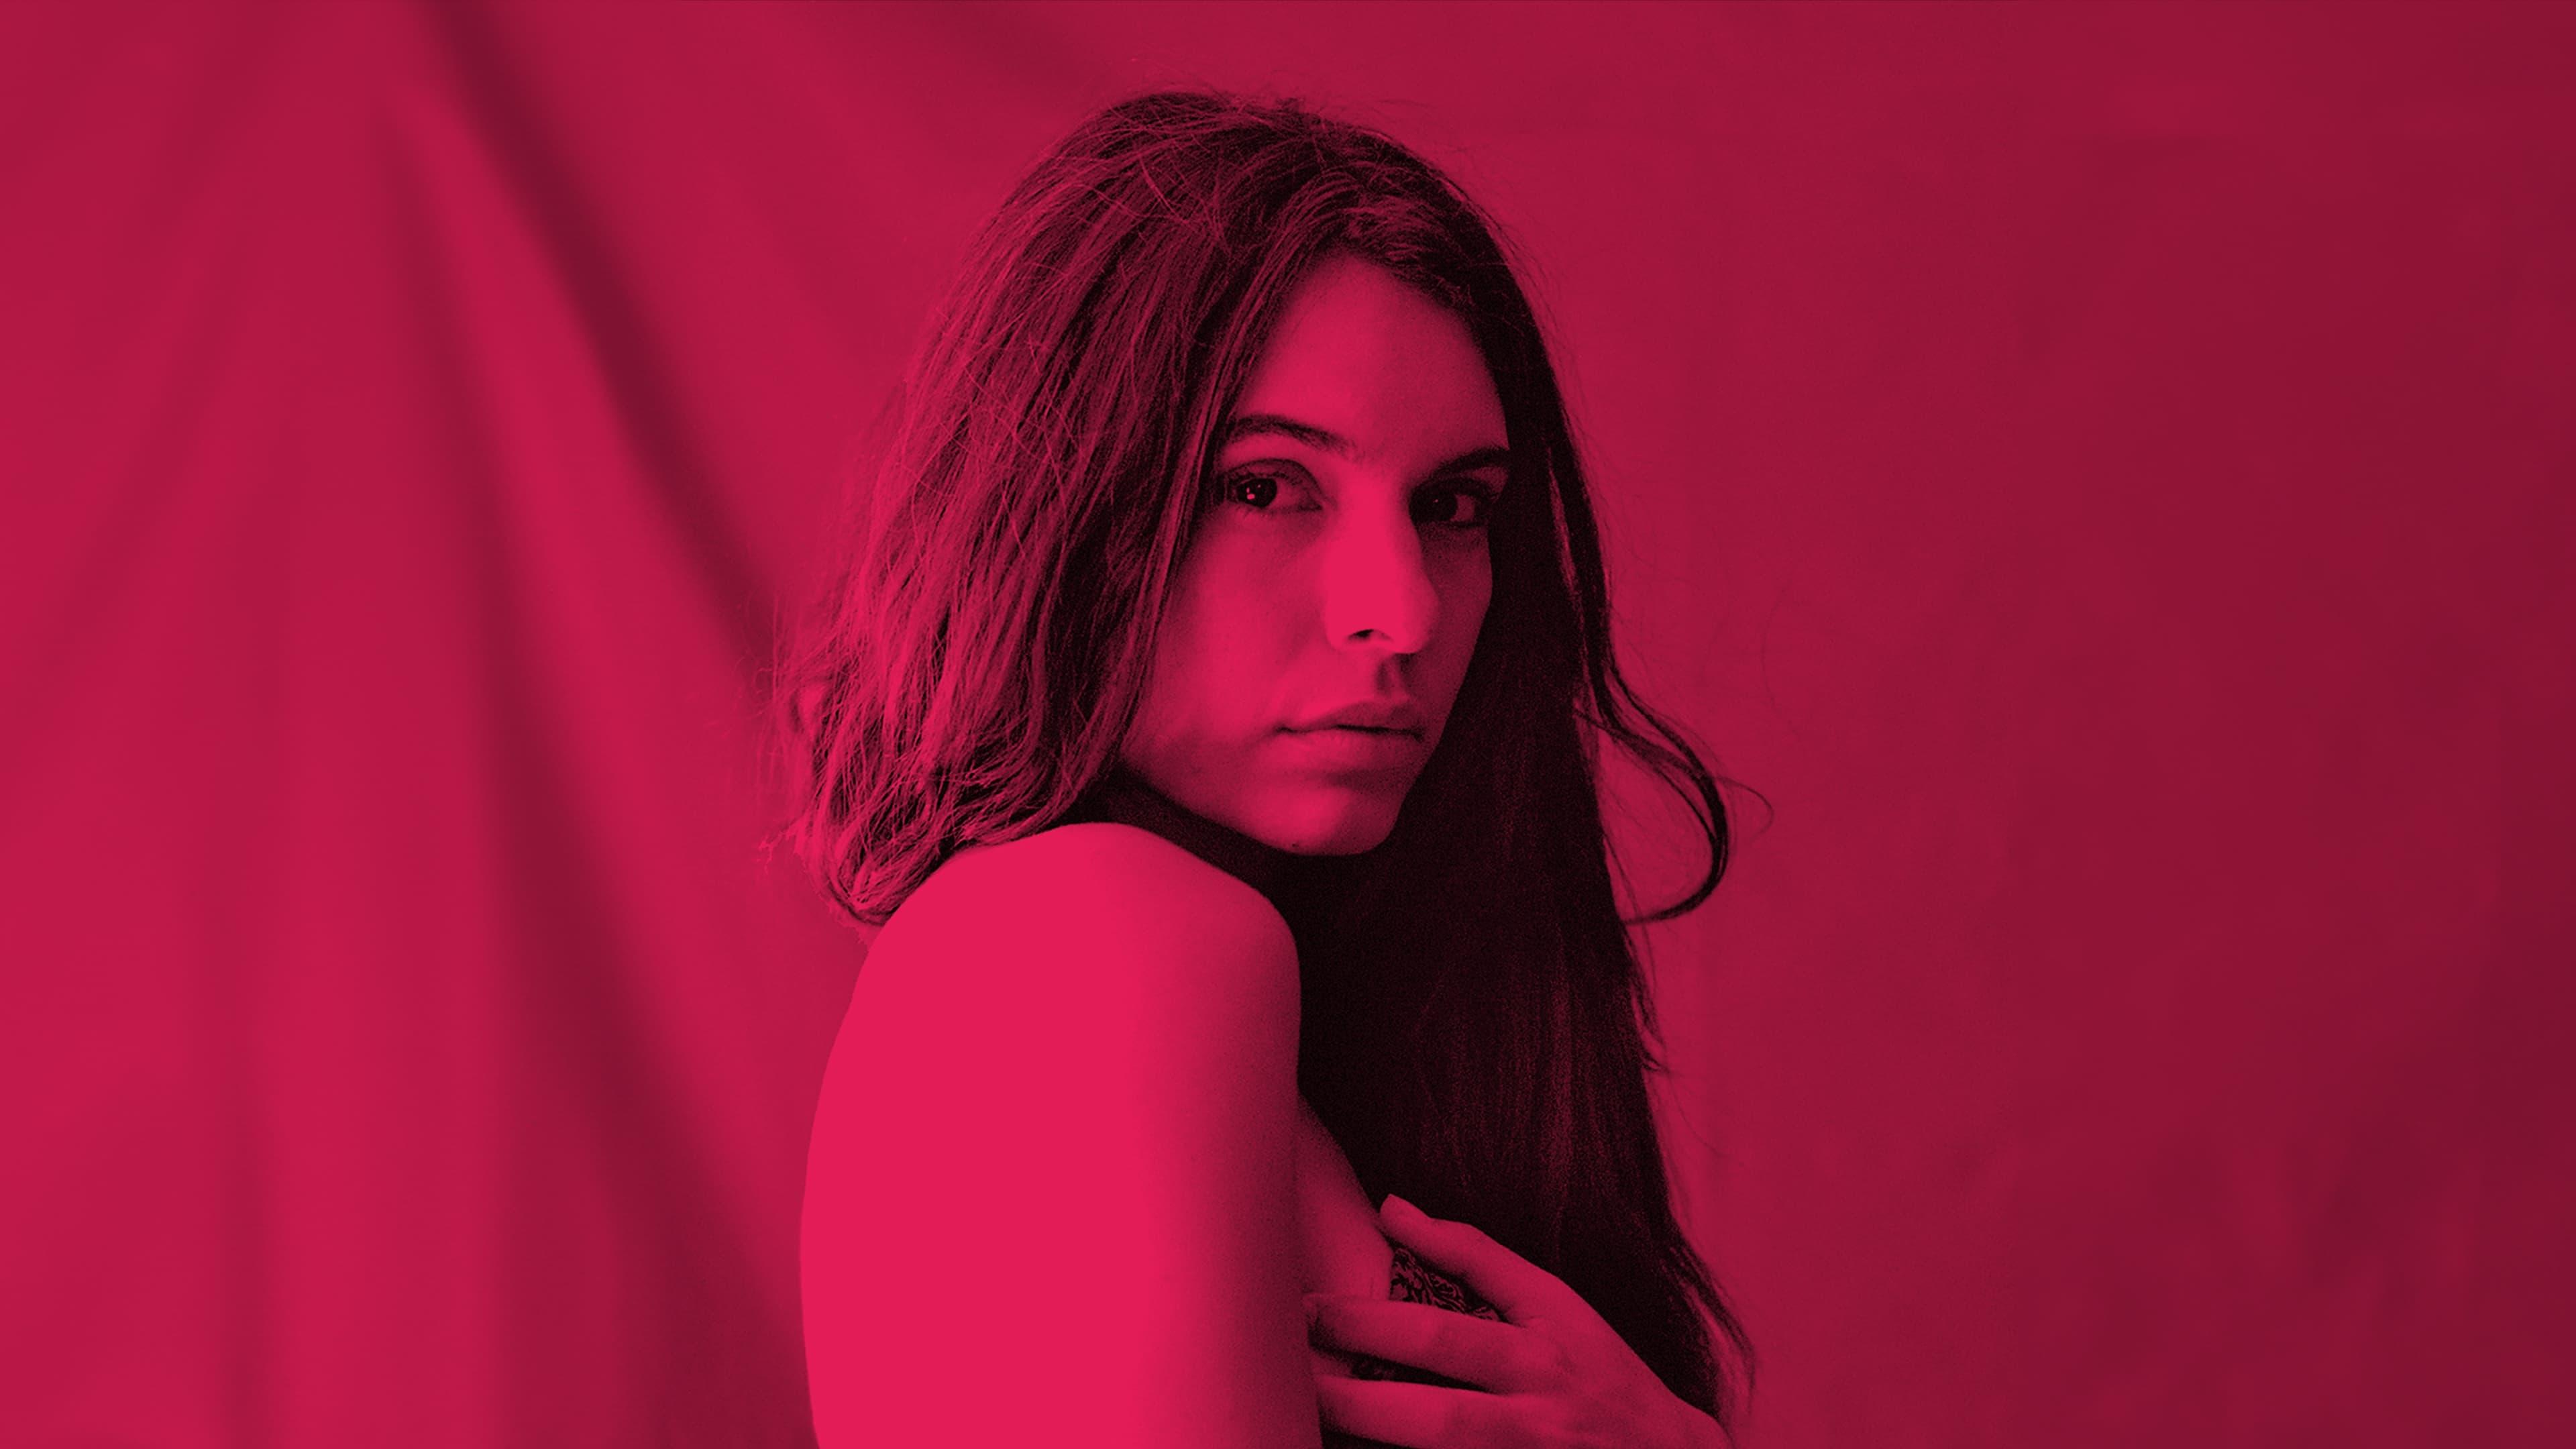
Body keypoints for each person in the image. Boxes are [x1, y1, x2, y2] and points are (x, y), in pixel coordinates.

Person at [783, 89, 1752, 1449]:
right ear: (1070, 506)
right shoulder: (1123, 930)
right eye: (1266, 487)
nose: (1402, 611)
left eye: (1452, 507)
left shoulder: (1065, 945)